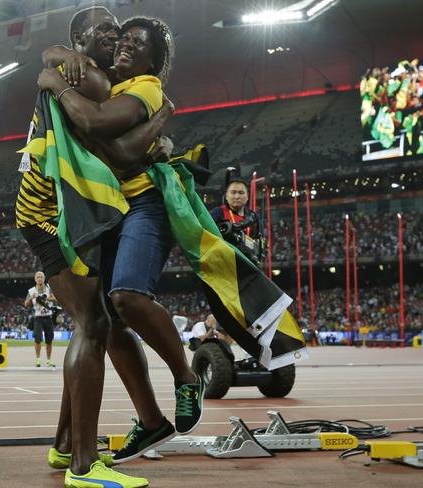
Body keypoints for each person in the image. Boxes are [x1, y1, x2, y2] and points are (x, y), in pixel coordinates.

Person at [17, 7, 180, 487]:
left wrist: (56, 57)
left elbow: (56, 56)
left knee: (92, 324)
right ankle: (84, 467)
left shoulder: (69, 64)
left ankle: (65, 446)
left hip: (60, 209)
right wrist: (59, 64)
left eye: (117, 30)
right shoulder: (84, 76)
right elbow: (106, 109)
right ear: (80, 40)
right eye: (103, 32)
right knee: (93, 326)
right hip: (51, 213)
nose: (113, 37)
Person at [210, 177, 264, 265]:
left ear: (247, 196)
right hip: (224, 262)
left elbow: (261, 242)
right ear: (226, 196)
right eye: (233, 192)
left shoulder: (254, 217)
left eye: (241, 193)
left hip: (248, 264)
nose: (237, 196)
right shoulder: (218, 212)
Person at [24, 271, 57, 368]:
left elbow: (56, 298)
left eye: (41, 277)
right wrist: (31, 298)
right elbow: (25, 304)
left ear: (44, 278)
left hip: (48, 316)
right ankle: (38, 359)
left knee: (49, 340)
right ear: (35, 279)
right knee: (38, 339)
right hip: (38, 317)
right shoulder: (31, 291)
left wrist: (47, 299)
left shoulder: (49, 289)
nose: (40, 279)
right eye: (38, 277)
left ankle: (48, 360)